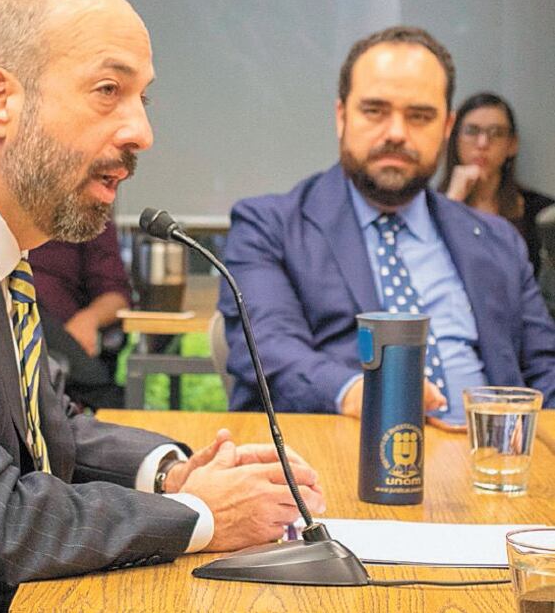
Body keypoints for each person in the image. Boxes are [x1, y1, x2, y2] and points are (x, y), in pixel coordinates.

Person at [0, 0, 325, 613]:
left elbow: (44, 425)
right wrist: (198, 515)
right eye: (108, 91)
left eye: (144, 98)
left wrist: (171, 471)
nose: (142, 131)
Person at [218, 26, 555, 428]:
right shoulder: (269, 227)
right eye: (375, 110)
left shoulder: (498, 240)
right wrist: (367, 394)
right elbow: (269, 352)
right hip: (338, 462)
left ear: (446, 128)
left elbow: (544, 370)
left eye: (419, 116)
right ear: (342, 116)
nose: (396, 133)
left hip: (490, 466)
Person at [438, 92, 554, 276]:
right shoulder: (425, 207)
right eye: (472, 131)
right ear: (454, 138)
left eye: (496, 133)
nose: (483, 143)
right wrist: (452, 202)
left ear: (512, 144)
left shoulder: (540, 211)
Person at [30, 219, 130, 408]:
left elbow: (117, 296)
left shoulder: (86, 208)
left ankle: (102, 394)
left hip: (64, 335)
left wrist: (90, 318)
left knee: (32, 310)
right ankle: (103, 394)